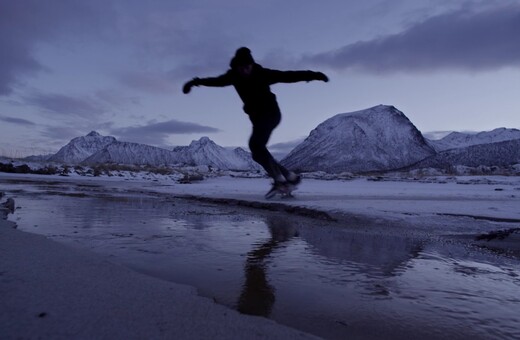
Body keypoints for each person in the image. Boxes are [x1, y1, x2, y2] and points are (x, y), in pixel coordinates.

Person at [182, 47, 328, 197]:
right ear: (236, 67)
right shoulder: (233, 76)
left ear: (252, 65)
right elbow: (216, 81)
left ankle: (281, 182)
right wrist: (195, 82)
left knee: (256, 145)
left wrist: (314, 75)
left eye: (247, 67)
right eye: (241, 68)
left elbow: (288, 76)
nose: (245, 71)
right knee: (257, 154)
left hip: (271, 114)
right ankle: (290, 177)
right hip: (257, 119)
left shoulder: (262, 74)